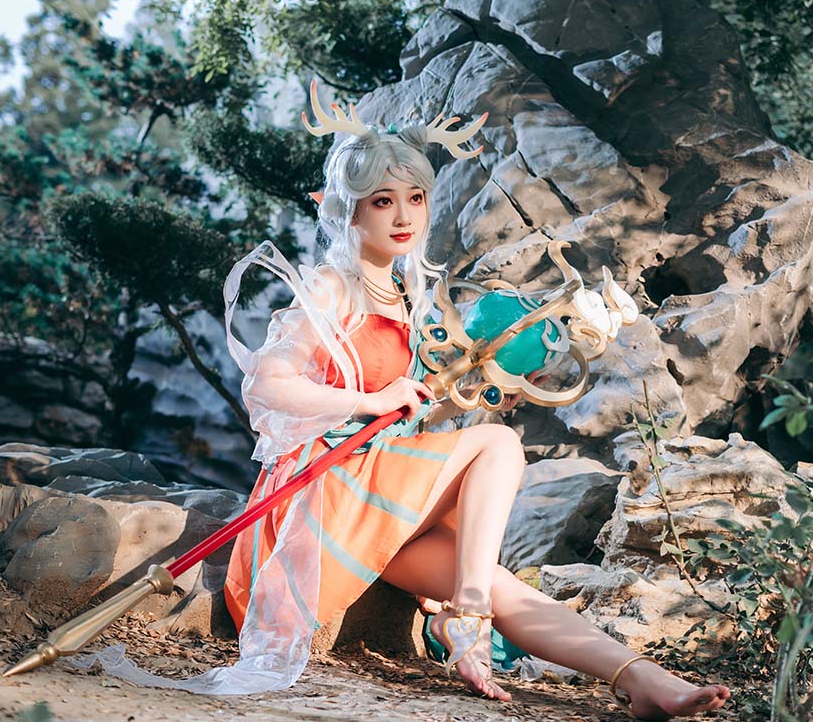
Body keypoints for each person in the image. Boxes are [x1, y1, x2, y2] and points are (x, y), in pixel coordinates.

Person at [217, 81, 732, 719]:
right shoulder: (333, 286)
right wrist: (367, 402)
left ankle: (641, 679)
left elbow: (412, 413)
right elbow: (266, 386)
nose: (403, 217)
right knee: (498, 446)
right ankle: (466, 617)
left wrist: (449, 400)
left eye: (415, 198)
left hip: (372, 494)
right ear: (349, 211)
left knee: (494, 580)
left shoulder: (409, 296)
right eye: (383, 201)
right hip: (320, 499)